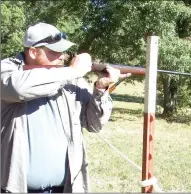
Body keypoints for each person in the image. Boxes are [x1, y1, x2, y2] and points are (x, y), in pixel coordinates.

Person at [1, 22, 130, 193]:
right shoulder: (8, 70)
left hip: (64, 188)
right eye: (54, 51)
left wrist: (100, 89)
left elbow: (94, 125)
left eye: (62, 51)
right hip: (14, 188)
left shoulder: (69, 77)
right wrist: (72, 71)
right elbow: (18, 88)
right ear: (33, 51)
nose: (62, 56)